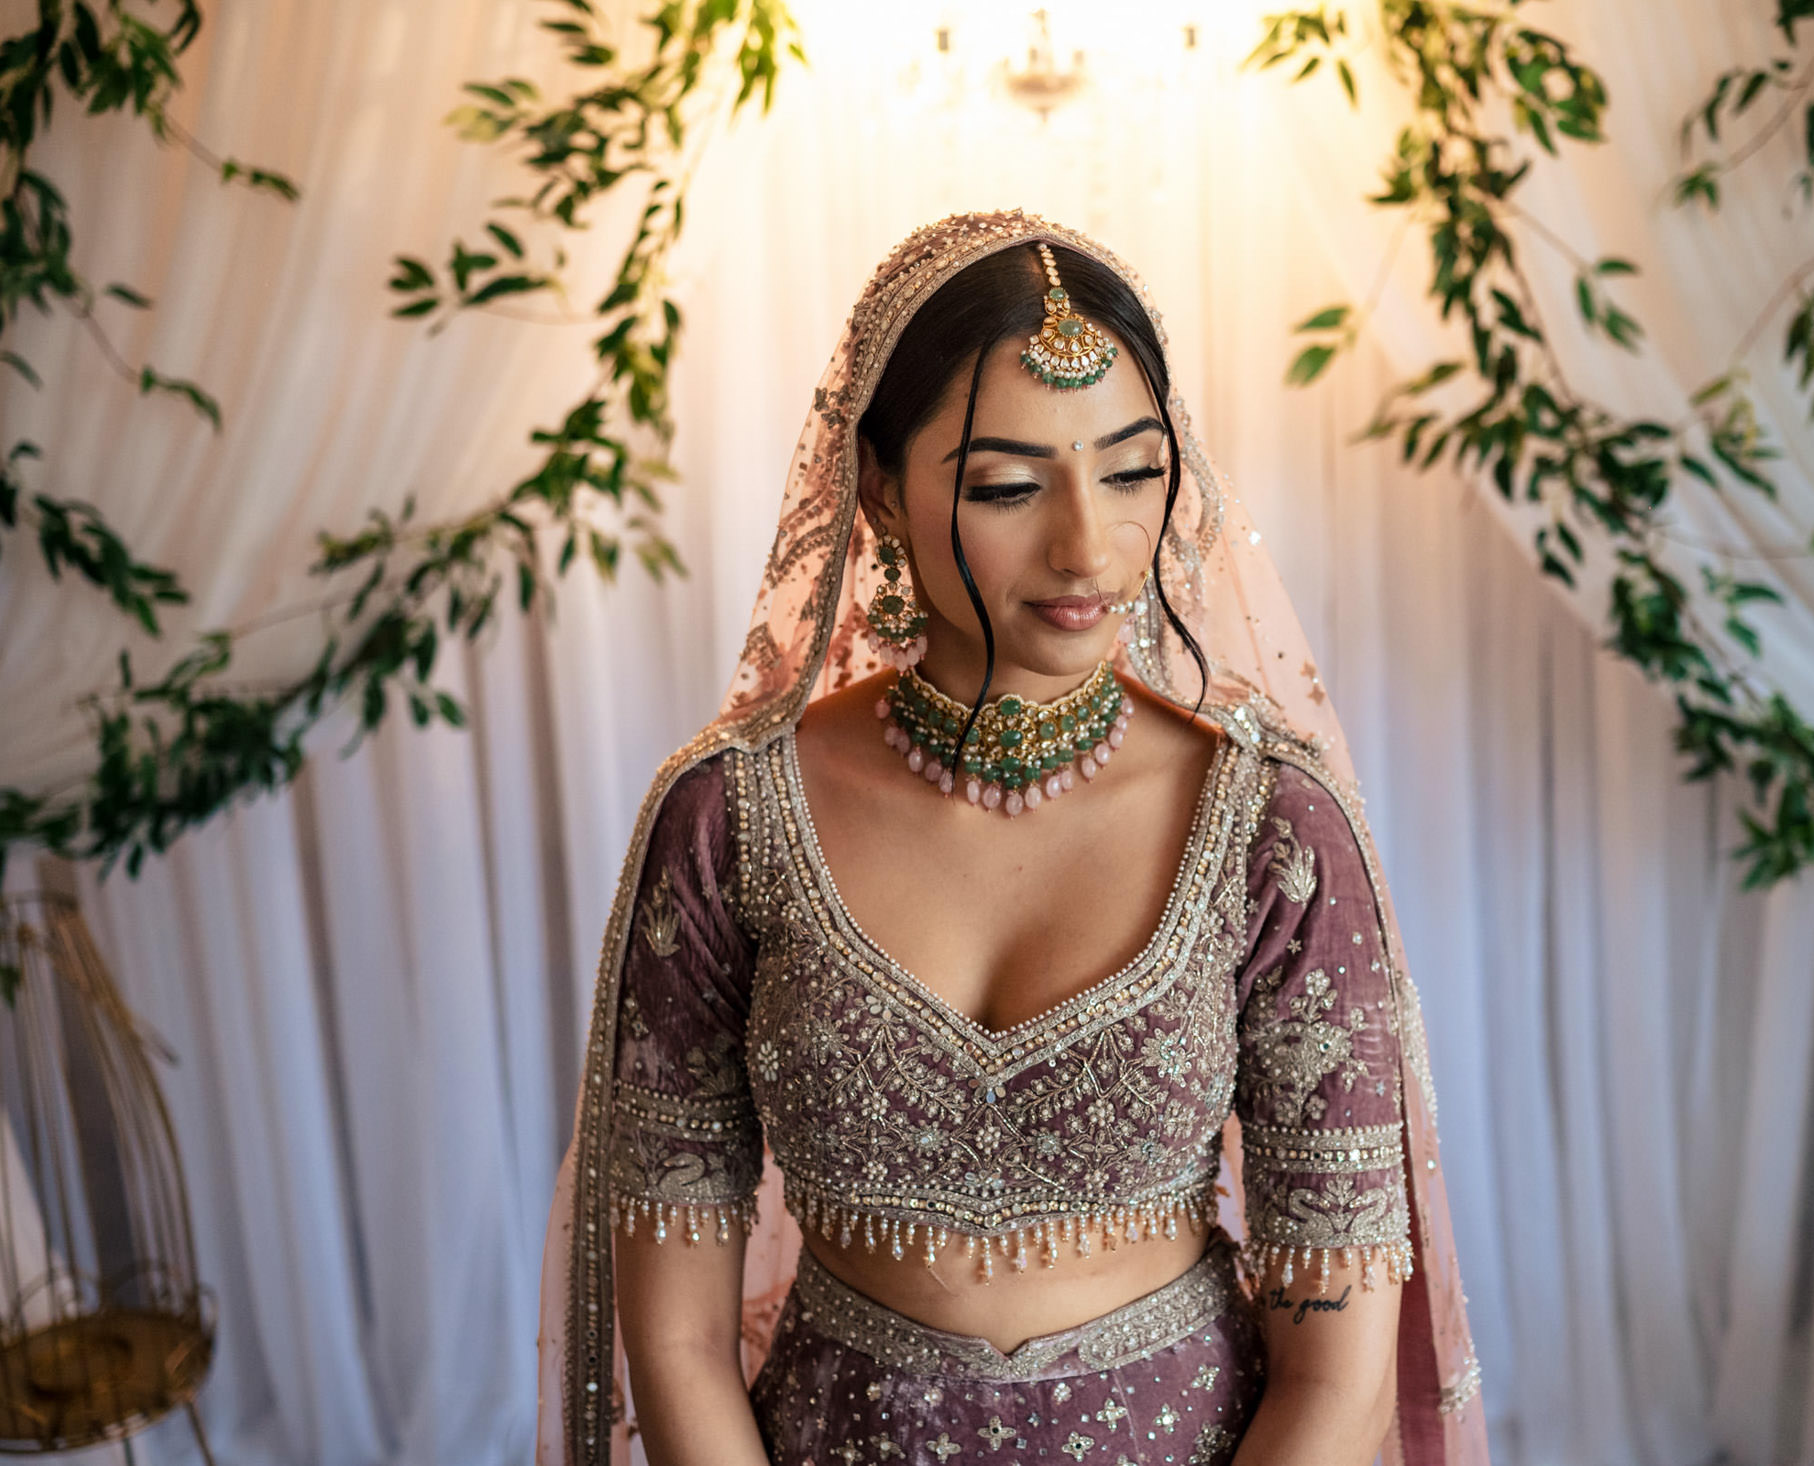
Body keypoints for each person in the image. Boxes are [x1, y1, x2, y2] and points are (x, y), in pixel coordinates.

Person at [535, 210, 1487, 1466]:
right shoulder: (728, 822)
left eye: (1133, 469)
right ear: (877, 487)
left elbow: (1340, 1364)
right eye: (1007, 485)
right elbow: (676, 1344)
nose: (1088, 545)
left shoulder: (1272, 830)